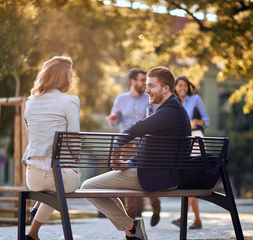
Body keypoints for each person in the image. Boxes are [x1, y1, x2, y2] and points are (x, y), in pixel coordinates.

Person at [81, 67, 191, 240]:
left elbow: (139, 127)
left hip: (155, 176)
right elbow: (154, 150)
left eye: (151, 86)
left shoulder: (170, 111)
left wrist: (118, 143)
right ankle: (130, 227)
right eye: (146, 85)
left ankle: (131, 227)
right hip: (161, 173)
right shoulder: (172, 109)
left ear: (166, 88)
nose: (146, 90)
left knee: (88, 187)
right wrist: (129, 163)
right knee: (98, 186)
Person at [22, 56, 81, 240]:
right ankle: (32, 233)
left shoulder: (30, 102)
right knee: (61, 183)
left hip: (33, 178)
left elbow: (32, 138)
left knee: (54, 183)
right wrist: (76, 155)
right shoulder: (69, 101)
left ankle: (38, 209)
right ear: (65, 78)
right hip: (58, 177)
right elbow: (74, 141)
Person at [106, 68, 161, 227]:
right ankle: (130, 221)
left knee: (147, 177)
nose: (145, 83)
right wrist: (112, 119)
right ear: (132, 81)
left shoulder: (150, 98)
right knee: (128, 179)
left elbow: (157, 117)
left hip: (146, 145)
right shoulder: (121, 99)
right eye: (142, 80)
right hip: (127, 145)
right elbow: (115, 120)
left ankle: (155, 207)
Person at [171, 75, 210, 230]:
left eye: (185, 86)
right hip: (181, 142)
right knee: (188, 179)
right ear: (175, 87)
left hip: (195, 139)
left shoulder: (195, 99)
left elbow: (206, 120)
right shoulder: (172, 102)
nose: (183, 88)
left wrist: (196, 122)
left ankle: (183, 217)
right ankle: (197, 220)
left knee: (190, 178)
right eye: (180, 85)